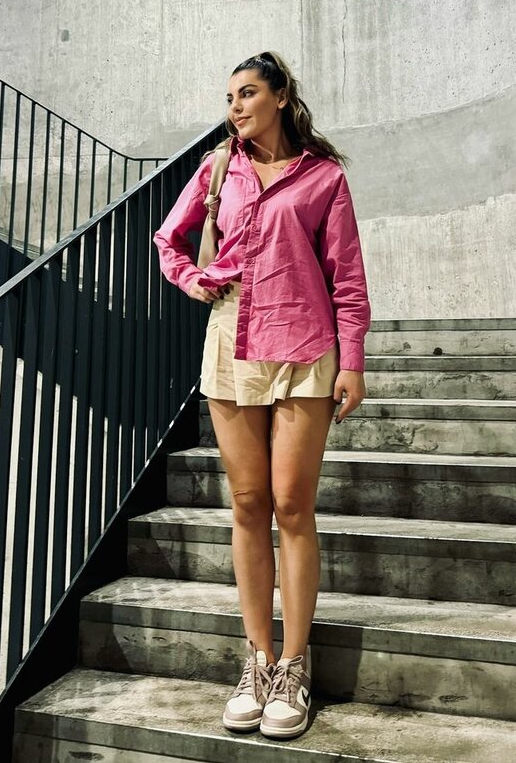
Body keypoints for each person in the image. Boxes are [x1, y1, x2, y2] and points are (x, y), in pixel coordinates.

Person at [152, 51, 371, 740]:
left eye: (247, 93)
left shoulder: (323, 177)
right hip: (233, 342)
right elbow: (168, 238)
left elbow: (347, 277)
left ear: (279, 97)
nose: (236, 107)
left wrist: (353, 361)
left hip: (306, 346)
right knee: (247, 503)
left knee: (291, 505)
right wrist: (193, 279)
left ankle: (295, 665)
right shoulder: (219, 168)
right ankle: (258, 660)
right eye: (229, 98)